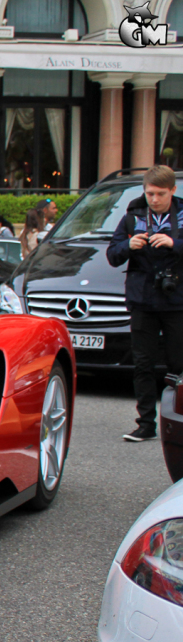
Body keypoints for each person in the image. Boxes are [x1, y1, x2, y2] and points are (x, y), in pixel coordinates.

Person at [107, 164, 183, 442]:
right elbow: (113, 254)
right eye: (149, 193)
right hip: (142, 300)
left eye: (160, 194)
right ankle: (145, 424)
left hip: (176, 300)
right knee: (143, 364)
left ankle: (178, 422)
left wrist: (174, 243)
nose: (154, 199)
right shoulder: (132, 214)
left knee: (178, 364)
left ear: (173, 191)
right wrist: (130, 245)